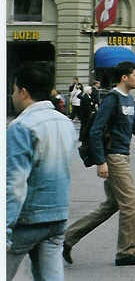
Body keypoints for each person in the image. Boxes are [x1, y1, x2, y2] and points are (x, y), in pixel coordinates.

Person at [63, 62, 135, 267]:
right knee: (130, 203)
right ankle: (126, 252)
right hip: (114, 158)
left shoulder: (128, 100)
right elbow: (96, 131)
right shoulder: (111, 100)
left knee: (112, 204)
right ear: (124, 77)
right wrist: (101, 161)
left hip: (122, 155)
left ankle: (67, 238)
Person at [7, 65, 78, 281]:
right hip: (57, 217)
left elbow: (14, 183)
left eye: (13, 89)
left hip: (27, 220)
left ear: (24, 92)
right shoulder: (65, 123)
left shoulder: (21, 126)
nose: (12, 95)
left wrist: (5, 228)